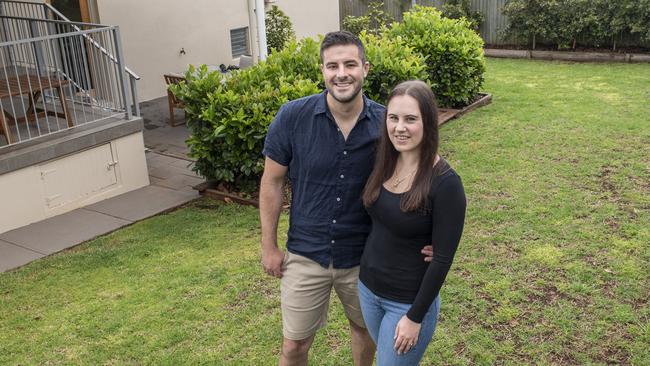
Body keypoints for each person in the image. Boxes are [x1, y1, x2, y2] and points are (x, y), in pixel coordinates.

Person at [259, 32, 432, 366]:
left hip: (365, 256)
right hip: (305, 253)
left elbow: (423, 176)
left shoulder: (387, 123)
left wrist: (434, 237)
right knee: (294, 346)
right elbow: (272, 180)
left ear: (365, 68)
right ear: (322, 71)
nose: (342, 73)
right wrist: (269, 246)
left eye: (350, 64)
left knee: (364, 333)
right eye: (332, 65)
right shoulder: (292, 117)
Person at [358, 80, 467, 366]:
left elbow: (442, 259)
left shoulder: (445, 183)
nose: (399, 127)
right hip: (368, 290)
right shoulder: (383, 162)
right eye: (393, 118)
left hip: (406, 303)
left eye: (410, 119)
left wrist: (414, 317)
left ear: (428, 123)